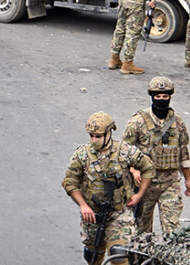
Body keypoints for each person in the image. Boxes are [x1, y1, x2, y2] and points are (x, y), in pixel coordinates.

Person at [63, 112, 154, 265]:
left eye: (98, 136)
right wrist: (83, 206)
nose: (94, 139)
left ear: (109, 133)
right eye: (91, 135)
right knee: (93, 256)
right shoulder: (82, 155)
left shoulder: (125, 152)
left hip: (119, 214)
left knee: (119, 255)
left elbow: (148, 168)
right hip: (93, 216)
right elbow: (69, 181)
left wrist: (139, 195)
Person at [122, 76, 190, 236]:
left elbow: (183, 152)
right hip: (145, 184)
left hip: (170, 181)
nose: (161, 99)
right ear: (152, 96)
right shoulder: (138, 122)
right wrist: (133, 170)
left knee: (172, 230)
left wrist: (188, 179)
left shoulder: (178, 123)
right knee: (142, 230)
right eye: (158, 96)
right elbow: (125, 150)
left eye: (165, 96)